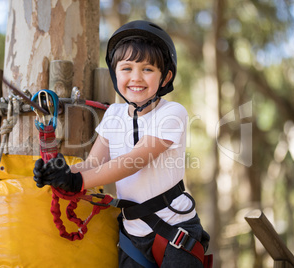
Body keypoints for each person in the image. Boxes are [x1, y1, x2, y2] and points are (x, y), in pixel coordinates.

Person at [33, 20, 211, 268]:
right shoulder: (114, 115)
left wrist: (79, 181)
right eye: (126, 68)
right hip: (132, 236)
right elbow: (94, 163)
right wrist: (61, 173)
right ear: (115, 74)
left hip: (175, 229)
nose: (136, 77)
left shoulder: (172, 113)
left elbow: (134, 161)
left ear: (165, 76)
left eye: (148, 69)